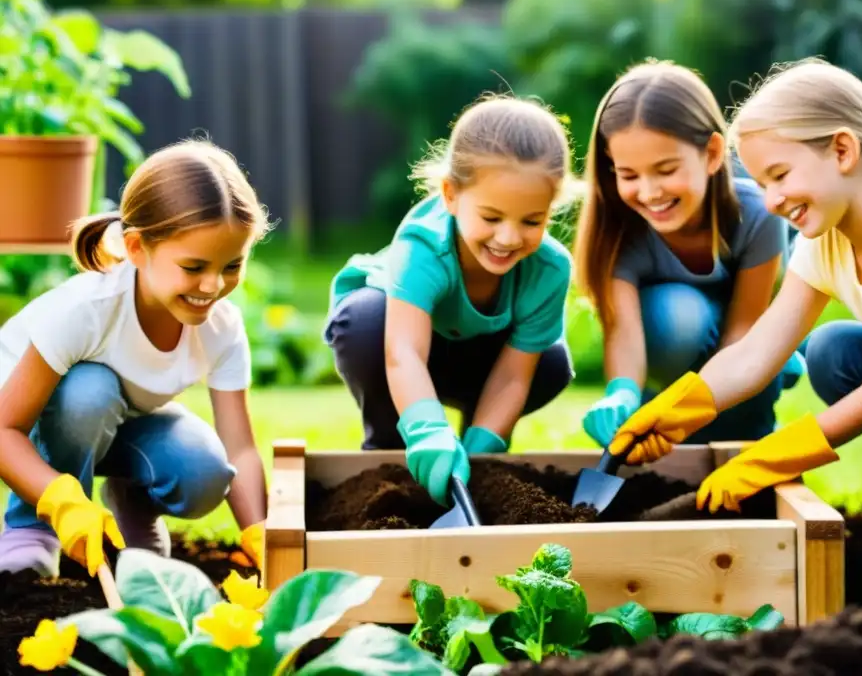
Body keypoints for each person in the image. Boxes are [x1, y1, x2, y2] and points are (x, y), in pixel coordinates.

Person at [608, 57, 862, 554]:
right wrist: (676, 411)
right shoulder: (824, 242)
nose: (771, 200)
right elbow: (757, 350)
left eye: (780, 175)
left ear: (843, 150)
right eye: (761, 184)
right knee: (832, 350)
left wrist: (770, 459)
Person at [0, 140, 270, 578]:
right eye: (194, 266)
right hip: (30, 424)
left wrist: (260, 532)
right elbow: (4, 429)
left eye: (231, 266)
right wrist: (61, 502)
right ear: (138, 248)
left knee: (206, 471)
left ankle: (131, 504)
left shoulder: (221, 325)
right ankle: (31, 530)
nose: (212, 286)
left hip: (115, 422)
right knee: (89, 392)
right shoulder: (86, 312)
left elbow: (239, 446)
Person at [324, 95, 577, 506]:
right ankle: (389, 453)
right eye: (492, 217)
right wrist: (426, 430)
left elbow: (515, 375)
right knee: (367, 320)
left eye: (532, 221)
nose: (509, 238)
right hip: (398, 348)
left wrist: (482, 450)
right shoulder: (423, 245)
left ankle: (468, 449)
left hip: (480, 360)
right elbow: (402, 351)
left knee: (550, 361)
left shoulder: (548, 269)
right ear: (451, 195)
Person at [573, 60, 800, 450]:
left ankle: (770, 392)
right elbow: (623, 330)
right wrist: (621, 393)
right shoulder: (619, 231)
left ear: (712, 153)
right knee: (677, 315)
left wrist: (688, 415)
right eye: (628, 175)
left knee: (751, 354)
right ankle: (651, 408)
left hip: (740, 339)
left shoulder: (758, 214)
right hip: (670, 339)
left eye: (665, 169)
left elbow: (742, 331)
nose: (649, 192)